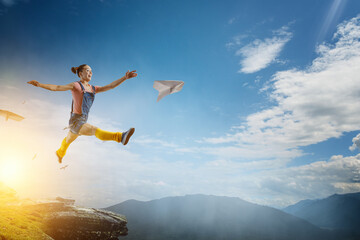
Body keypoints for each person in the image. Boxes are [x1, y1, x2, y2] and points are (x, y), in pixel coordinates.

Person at [27, 64, 137, 163]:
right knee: (94, 130)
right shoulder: (76, 86)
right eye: (88, 70)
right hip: (76, 121)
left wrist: (124, 78)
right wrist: (39, 84)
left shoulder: (93, 88)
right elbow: (56, 87)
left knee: (68, 140)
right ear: (80, 73)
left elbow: (110, 86)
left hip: (83, 120)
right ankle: (120, 137)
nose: (91, 73)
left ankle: (60, 153)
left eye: (91, 71)